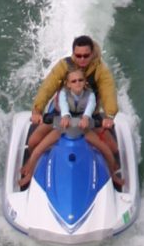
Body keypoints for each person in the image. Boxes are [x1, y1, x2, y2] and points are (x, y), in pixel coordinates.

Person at [26, 35, 122, 183]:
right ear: (73, 53)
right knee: (33, 142)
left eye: (86, 56)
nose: (82, 59)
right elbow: (48, 87)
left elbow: (108, 91)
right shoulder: (64, 66)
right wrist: (37, 110)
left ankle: (112, 175)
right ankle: (34, 169)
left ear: (92, 54)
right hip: (61, 116)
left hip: (88, 118)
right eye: (78, 56)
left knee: (113, 149)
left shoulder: (100, 70)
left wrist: (109, 116)